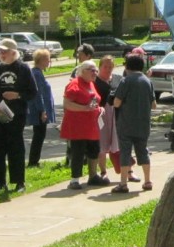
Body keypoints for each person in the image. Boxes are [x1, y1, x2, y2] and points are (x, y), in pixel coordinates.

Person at [0, 38, 37, 193]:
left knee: (16, 147)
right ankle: (0, 182)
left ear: (13, 52)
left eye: (4, 51)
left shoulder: (23, 68)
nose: (1, 54)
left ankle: (19, 181)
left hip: (17, 114)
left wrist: (17, 95)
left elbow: (32, 92)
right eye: (0, 51)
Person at [61, 59, 109, 188]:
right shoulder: (75, 84)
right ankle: (74, 180)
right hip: (78, 126)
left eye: (96, 70)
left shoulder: (91, 84)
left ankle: (93, 176)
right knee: (78, 152)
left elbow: (94, 101)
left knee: (94, 150)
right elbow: (67, 104)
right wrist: (84, 108)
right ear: (82, 71)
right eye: (92, 70)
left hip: (92, 126)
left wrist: (100, 108)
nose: (95, 73)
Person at [111, 53, 155, 193]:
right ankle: (147, 181)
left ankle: (123, 183)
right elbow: (154, 105)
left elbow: (117, 103)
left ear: (127, 66)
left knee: (125, 151)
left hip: (126, 123)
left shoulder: (126, 81)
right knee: (143, 151)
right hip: (143, 123)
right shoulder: (147, 81)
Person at [27, 49, 56, 167]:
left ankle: (34, 160)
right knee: (39, 135)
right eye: (48, 59)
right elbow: (38, 94)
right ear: (42, 60)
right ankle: (33, 161)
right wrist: (42, 110)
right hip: (39, 111)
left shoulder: (37, 72)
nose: (49, 62)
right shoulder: (37, 74)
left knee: (39, 135)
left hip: (39, 110)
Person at [94, 55, 122, 179]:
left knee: (119, 143)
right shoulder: (95, 81)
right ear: (100, 67)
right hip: (101, 116)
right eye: (105, 66)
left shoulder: (117, 79)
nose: (108, 69)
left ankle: (126, 170)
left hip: (116, 115)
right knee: (101, 144)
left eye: (110, 67)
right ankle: (103, 172)